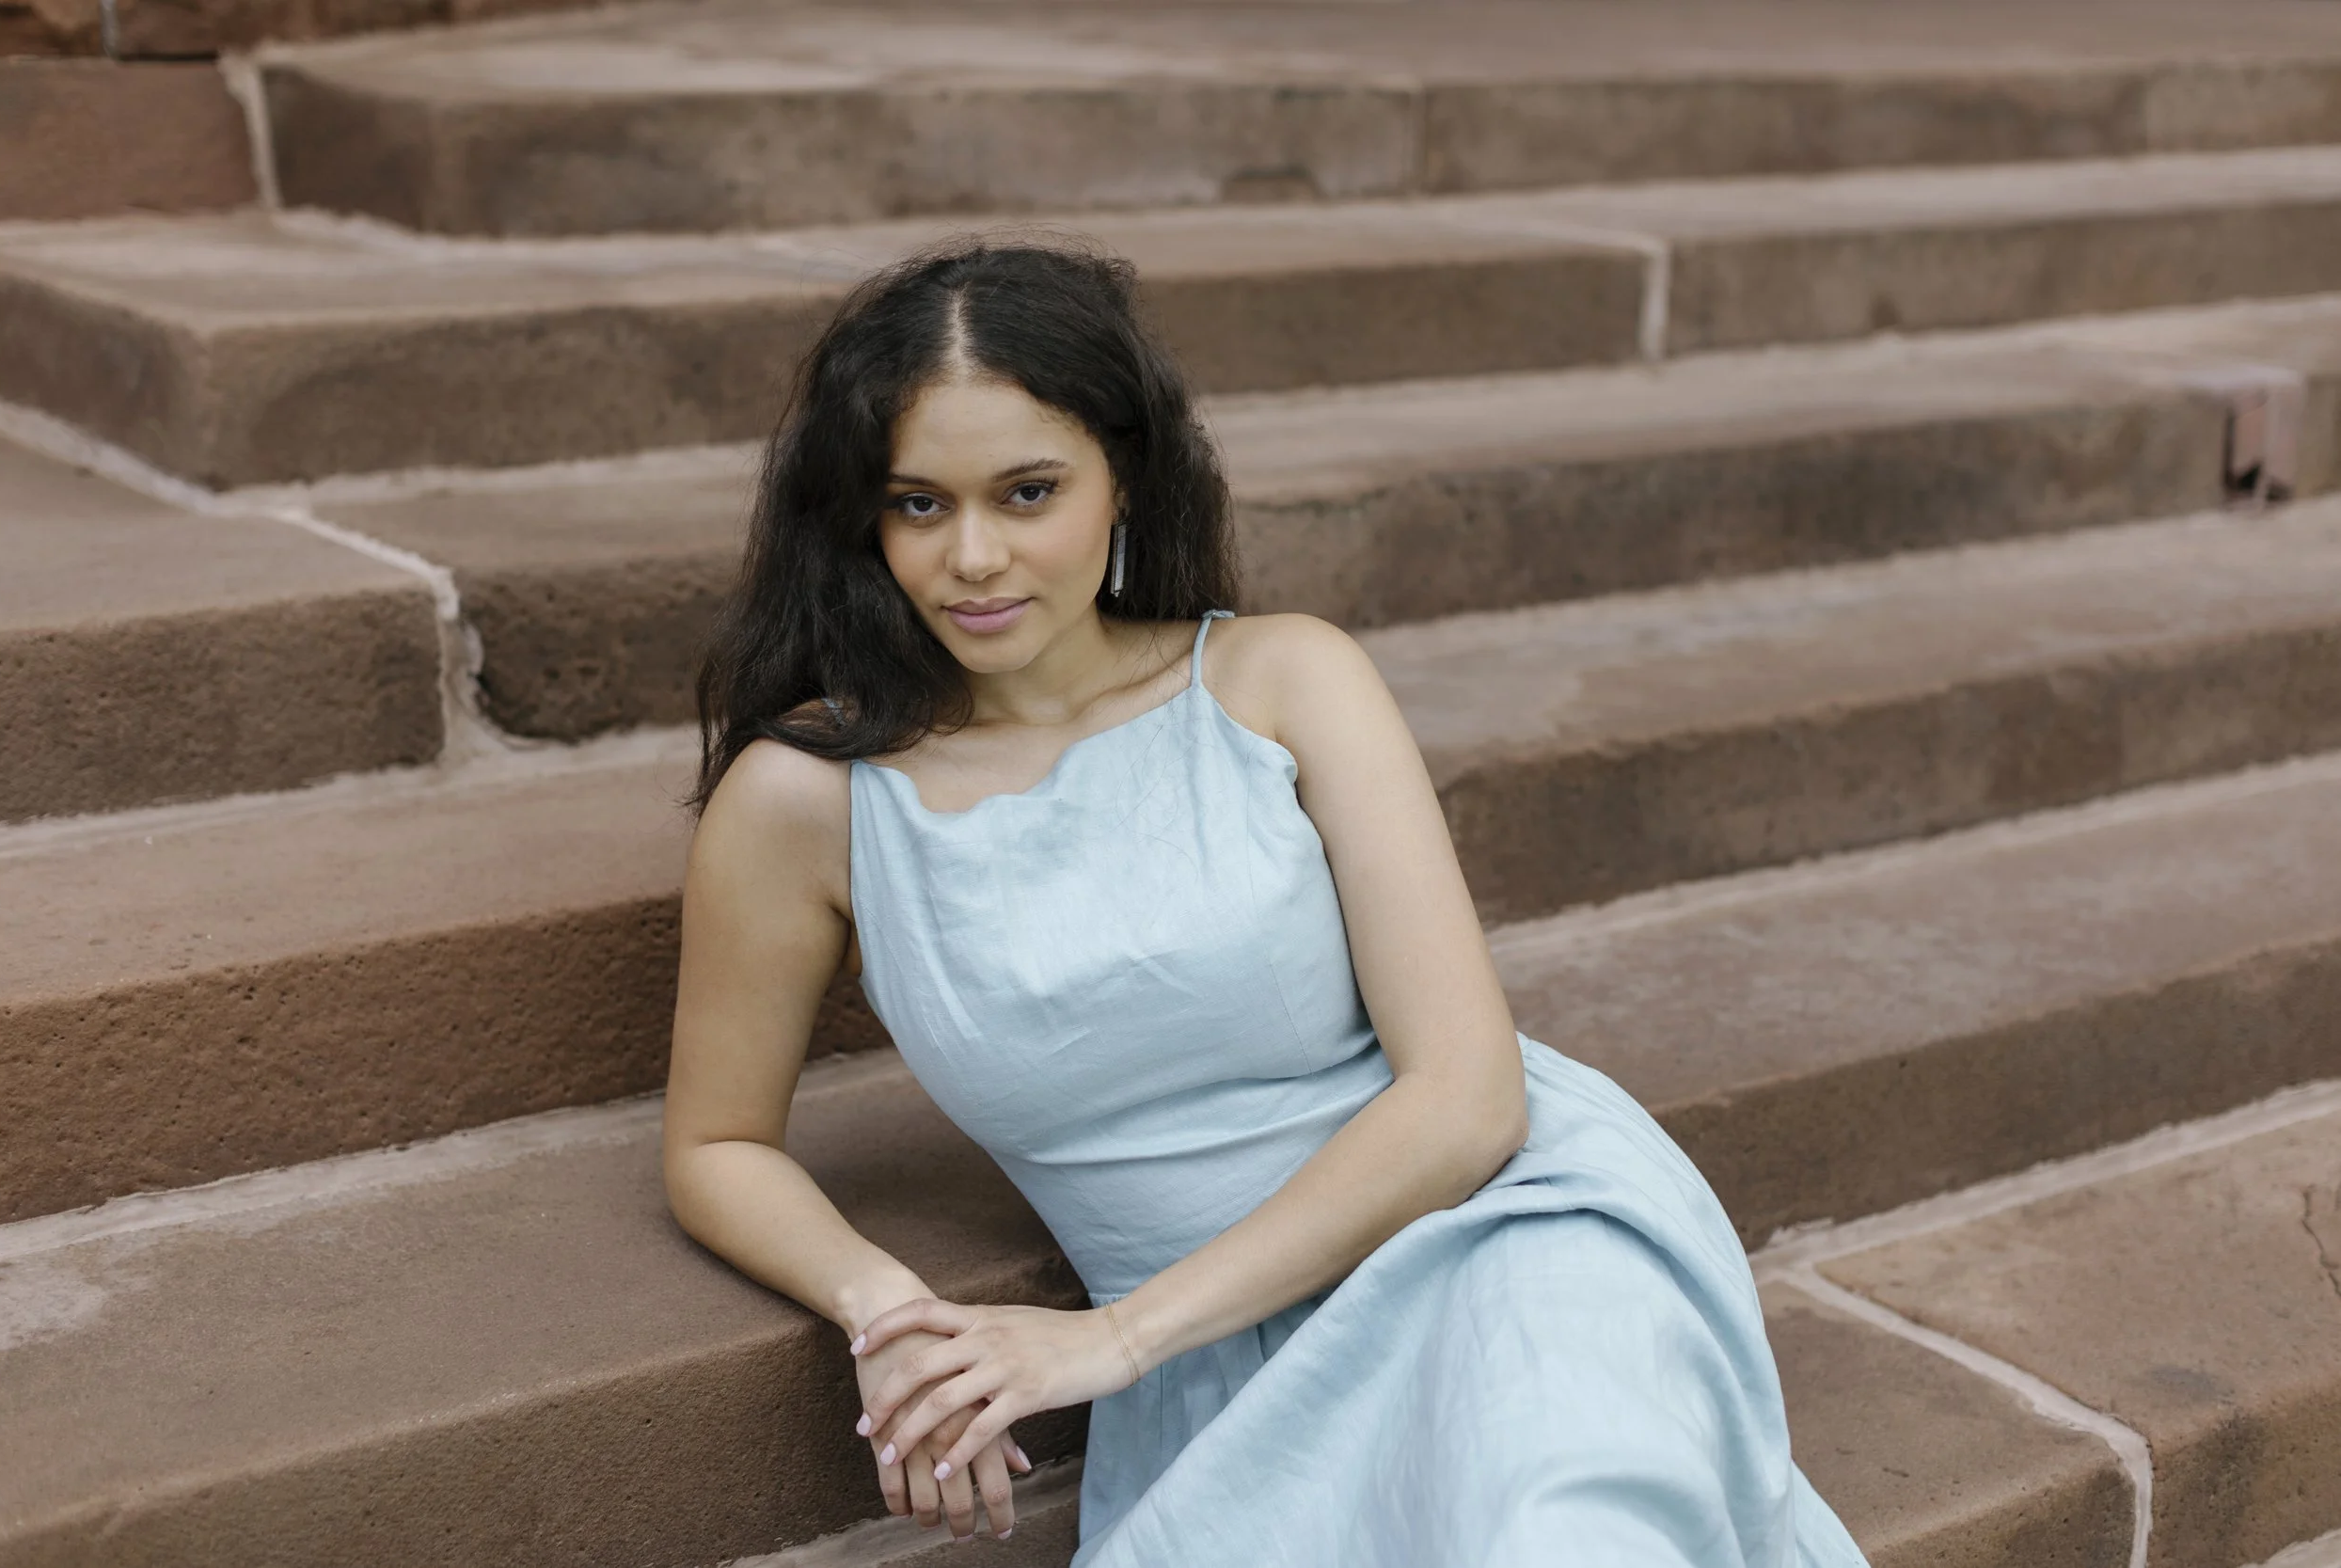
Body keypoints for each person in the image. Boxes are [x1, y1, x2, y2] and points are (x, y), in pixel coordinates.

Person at [664, 239, 1872, 1567]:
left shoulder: (1283, 682)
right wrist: (893, 1317)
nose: (973, 556)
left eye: (1027, 491)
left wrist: (1110, 1340)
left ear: (1125, 477)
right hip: (1223, 1376)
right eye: (918, 504)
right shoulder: (811, 799)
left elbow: (1469, 1097)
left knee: (1563, 1526)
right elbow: (719, 1143)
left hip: (1489, 1235)